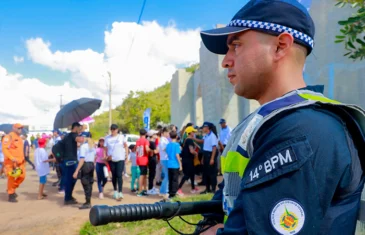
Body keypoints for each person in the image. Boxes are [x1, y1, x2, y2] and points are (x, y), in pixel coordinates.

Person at [196, 1, 365, 234]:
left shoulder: (302, 128)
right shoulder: (266, 123)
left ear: (280, 46)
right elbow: (229, 195)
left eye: (236, 45)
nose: (226, 60)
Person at [2, 124, 26, 202]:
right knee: (11, 178)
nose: (20, 129)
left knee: (22, 176)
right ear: (14, 128)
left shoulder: (19, 138)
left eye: (21, 128)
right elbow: (5, 149)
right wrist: (12, 158)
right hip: (11, 163)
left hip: (20, 162)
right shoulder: (8, 137)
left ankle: (11, 188)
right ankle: (11, 194)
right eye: (19, 128)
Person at [62, 122, 84, 205]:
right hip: (71, 160)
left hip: (66, 160)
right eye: (79, 127)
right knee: (71, 179)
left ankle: (69, 196)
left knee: (71, 179)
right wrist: (85, 136)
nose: (80, 129)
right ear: (75, 127)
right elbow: (80, 140)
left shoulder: (67, 136)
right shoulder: (73, 135)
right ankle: (67, 198)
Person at [104, 124, 128, 201]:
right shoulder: (107, 138)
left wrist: (126, 156)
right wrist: (105, 156)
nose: (113, 131)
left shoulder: (121, 137)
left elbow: (126, 146)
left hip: (120, 158)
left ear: (117, 129)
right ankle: (115, 190)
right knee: (114, 175)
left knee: (119, 175)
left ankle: (120, 191)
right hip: (111, 159)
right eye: (112, 129)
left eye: (114, 129)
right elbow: (105, 148)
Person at [193, 122, 218, 194]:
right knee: (206, 173)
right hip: (206, 154)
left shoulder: (212, 136)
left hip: (210, 155)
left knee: (212, 173)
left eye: (203, 127)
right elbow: (203, 142)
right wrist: (193, 138)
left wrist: (212, 158)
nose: (202, 129)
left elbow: (214, 148)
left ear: (207, 128)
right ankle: (207, 189)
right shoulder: (206, 136)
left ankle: (213, 189)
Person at [73, 138, 95, 209]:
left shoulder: (83, 147)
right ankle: (88, 201)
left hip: (86, 165)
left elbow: (82, 159)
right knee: (90, 183)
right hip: (91, 164)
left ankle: (87, 202)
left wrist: (76, 171)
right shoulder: (91, 145)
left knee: (85, 183)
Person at [178, 126, 200, 195]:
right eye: (193, 132)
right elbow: (191, 151)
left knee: (192, 174)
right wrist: (196, 153)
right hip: (188, 160)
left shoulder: (186, 139)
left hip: (187, 159)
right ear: (190, 133)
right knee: (187, 175)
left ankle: (193, 188)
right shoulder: (189, 140)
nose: (194, 133)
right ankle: (178, 188)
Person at [166, 131, 182, 199]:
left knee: (170, 179)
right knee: (175, 180)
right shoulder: (177, 145)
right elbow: (177, 155)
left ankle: (170, 193)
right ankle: (173, 193)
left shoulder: (168, 145)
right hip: (175, 164)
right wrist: (180, 164)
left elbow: (167, 152)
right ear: (176, 137)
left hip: (169, 164)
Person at [136, 128, 150, 197]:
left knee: (144, 175)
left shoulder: (137, 141)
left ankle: (144, 189)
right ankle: (140, 190)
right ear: (145, 134)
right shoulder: (146, 141)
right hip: (144, 159)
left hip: (139, 159)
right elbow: (147, 149)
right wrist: (151, 151)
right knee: (142, 175)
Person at [158, 127, 170, 198]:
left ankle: (162, 190)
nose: (168, 134)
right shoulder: (162, 140)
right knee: (167, 176)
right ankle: (165, 191)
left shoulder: (166, 139)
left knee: (166, 176)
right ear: (164, 133)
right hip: (164, 159)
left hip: (166, 159)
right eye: (167, 132)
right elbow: (164, 148)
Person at [147, 130, 159, 195]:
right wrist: (158, 148)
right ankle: (150, 188)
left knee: (152, 174)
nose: (156, 135)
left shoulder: (150, 142)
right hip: (152, 160)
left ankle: (152, 187)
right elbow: (155, 151)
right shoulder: (152, 142)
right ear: (152, 135)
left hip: (151, 159)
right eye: (155, 134)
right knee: (152, 174)